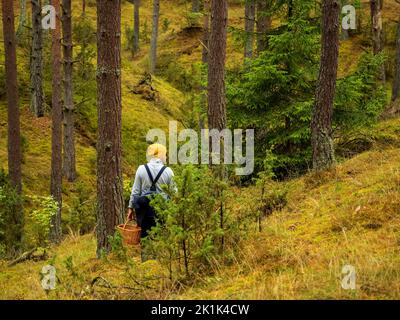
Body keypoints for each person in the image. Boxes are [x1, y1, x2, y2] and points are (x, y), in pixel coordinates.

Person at [127, 143, 174, 260]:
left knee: (144, 236)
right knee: (160, 235)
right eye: (165, 154)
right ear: (161, 155)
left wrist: (130, 208)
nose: (166, 157)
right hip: (161, 209)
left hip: (143, 210)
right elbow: (174, 193)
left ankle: (146, 260)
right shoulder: (168, 171)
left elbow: (135, 191)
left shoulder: (141, 169)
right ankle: (159, 261)